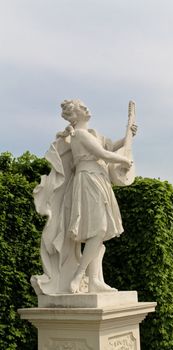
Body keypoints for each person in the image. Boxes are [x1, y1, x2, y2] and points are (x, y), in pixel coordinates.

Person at [31, 99, 136, 295]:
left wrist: (128, 135)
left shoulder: (92, 134)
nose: (87, 108)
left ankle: (94, 280)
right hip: (88, 179)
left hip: (99, 179)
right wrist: (124, 160)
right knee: (99, 228)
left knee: (100, 233)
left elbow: (111, 146)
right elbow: (102, 153)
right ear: (74, 114)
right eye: (82, 107)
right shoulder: (79, 134)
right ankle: (79, 275)